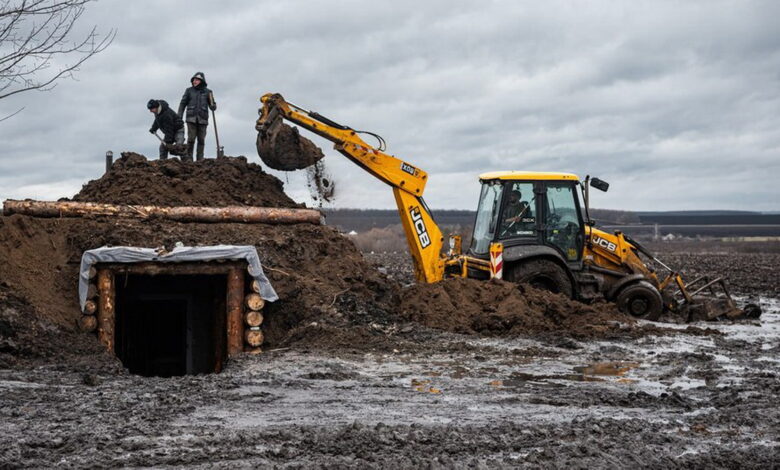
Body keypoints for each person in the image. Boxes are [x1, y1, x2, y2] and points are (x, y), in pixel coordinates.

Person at [178, 71, 216, 161]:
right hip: (191, 119)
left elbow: (213, 106)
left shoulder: (208, 92)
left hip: (203, 120)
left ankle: (200, 159)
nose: (194, 81)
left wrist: (213, 105)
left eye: (197, 80)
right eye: (194, 79)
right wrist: (179, 117)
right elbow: (182, 104)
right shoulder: (189, 91)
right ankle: (189, 158)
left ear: (201, 81)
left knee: (201, 140)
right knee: (191, 139)